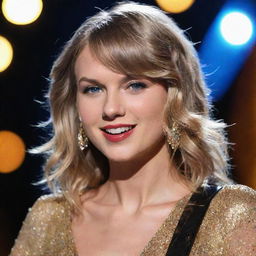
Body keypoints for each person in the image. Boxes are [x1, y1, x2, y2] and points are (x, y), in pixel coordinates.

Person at [10, 1, 256, 256]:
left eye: (134, 85)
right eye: (93, 89)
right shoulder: (50, 218)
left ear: (175, 95)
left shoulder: (228, 217)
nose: (111, 108)